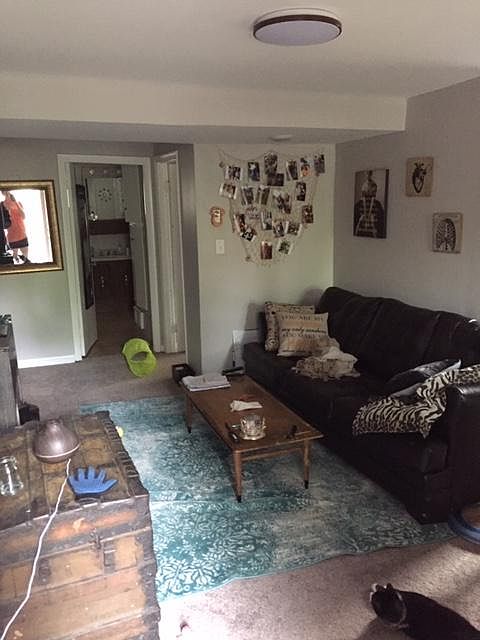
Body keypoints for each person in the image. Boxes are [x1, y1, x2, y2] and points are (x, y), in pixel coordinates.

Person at [353, 172, 386, 238]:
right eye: (373, 191)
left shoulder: (377, 205)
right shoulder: (358, 205)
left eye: (375, 191)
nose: (374, 193)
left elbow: (382, 224)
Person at [2, 191, 30, 263]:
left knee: (26, 259)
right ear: (2, 193)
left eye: (8, 190)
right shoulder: (2, 205)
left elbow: (23, 216)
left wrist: (16, 202)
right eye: (4, 191)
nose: (7, 192)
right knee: (15, 259)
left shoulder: (18, 203)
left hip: (22, 233)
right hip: (12, 235)